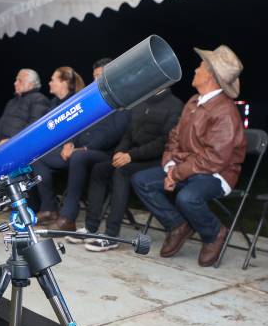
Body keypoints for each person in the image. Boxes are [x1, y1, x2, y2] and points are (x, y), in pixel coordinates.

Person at [131, 45, 246, 266]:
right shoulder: (194, 102)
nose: (195, 70)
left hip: (216, 174)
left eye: (200, 67)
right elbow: (174, 136)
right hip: (188, 168)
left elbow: (214, 159)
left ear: (210, 76)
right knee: (141, 181)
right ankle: (177, 225)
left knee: (187, 197)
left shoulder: (224, 111)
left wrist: (176, 174)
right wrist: (170, 166)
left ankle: (213, 233)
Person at [79, 87, 183, 252]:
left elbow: (164, 142)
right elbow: (128, 133)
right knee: (100, 170)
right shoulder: (141, 102)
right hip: (131, 156)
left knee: (122, 171)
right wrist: (120, 151)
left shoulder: (175, 105)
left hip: (155, 160)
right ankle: (91, 228)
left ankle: (112, 235)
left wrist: (131, 156)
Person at [33, 61, 129, 231]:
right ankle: (49, 208)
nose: (95, 81)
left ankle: (68, 217)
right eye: (94, 77)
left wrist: (86, 147)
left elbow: (115, 132)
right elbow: (79, 126)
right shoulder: (92, 100)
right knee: (38, 158)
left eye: (99, 76)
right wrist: (70, 144)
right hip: (80, 150)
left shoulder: (121, 100)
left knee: (78, 157)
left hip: (104, 154)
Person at [33, 66, 85, 223]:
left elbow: (84, 126)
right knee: (33, 157)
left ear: (64, 82)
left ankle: (49, 207)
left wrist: (71, 143)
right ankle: (38, 206)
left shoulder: (77, 101)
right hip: (54, 150)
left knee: (37, 159)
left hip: (74, 151)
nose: (49, 83)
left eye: (53, 79)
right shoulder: (53, 103)